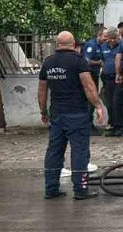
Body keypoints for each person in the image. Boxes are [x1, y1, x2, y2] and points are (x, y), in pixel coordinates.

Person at [38, 31, 106, 199]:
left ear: (57, 44)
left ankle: (51, 188)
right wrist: (98, 105)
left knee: (54, 151)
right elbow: (88, 87)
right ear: (73, 43)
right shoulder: (79, 61)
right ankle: (80, 189)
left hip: (57, 115)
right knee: (79, 151)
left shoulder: (48, 63)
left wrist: (43, 111)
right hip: (77, 114)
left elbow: (41, 90)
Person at [98, 28, 123, 136]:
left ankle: (119, 126)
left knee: (117, 103)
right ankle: (112, 124)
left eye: (114, 38)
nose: (111, 41)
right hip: (107, 78)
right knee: (109, 103)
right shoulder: (103, 46)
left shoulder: (122, 46)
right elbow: (102, 60)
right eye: (109, 38)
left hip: (118, 78)